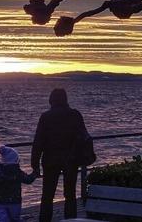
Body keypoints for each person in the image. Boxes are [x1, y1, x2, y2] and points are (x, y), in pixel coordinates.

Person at [31, 89, 87, 222]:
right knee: (70, 195)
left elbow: (38, 141)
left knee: (47, 196)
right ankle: (70, 220)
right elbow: (83, 137)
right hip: (71, 160)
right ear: (65, 99)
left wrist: (35, 164)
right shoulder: (75, 115)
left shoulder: (46, 117)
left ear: (51, 100)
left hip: (50, 160)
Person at [0, 145, 37, 222]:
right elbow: (28, 180)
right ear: (15, 161)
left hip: (1, 201)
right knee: (15, 218)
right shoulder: (17, 172)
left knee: (2, 218)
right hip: (15, 201)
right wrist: (35, 173)